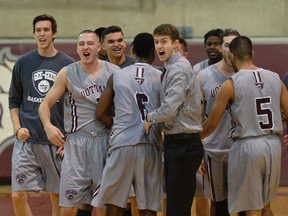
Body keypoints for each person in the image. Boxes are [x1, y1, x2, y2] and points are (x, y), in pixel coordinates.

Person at [201, 35, 288, 216]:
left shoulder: (230, 84)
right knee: (266, 206)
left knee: (251, 208)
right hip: (273, 145)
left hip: (247, 146)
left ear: (231, 56)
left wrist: (193, 139)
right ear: (252, 53)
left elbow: (211, 125)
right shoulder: (275, 78)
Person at [38, 30, 120, 216]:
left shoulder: (114, 72)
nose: (85, 47)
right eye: (81, 44)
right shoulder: (67, 73)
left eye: (90, 43)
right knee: (67, 206)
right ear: (77, 48)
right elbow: (45, 105)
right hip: (76, 144)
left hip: (105, 142)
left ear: (99, 47)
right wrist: (48, 126)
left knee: (101, 206)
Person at [8, 14, 74, 216]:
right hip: (27, 141)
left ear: (54, 33)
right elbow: (14, 101)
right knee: (17, 195)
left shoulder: (68, 64)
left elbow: (75, 107)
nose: (42, 34)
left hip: (55, 142)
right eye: (38, 30)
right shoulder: (23, 63)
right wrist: (17, 128)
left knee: (56, 197)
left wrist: (69, 138)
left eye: (46, 30)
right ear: (34, 34)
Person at [91, 32, 163, 216]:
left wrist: (117, 127)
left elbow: (100, 113)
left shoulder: (117, 75)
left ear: (132, 50)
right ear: (153, 53)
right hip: (150, 144)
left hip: (122, 143)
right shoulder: (161, 75)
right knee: (148, 206)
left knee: (114, 203)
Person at [144, 23, 204, 216]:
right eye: (156, 42)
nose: (159, 46)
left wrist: (149, 119)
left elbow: (169, 108)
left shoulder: (178, 69)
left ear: (176, 44)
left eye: (164, 42)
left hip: (183, 144)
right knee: (178, 207)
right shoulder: (172, 67)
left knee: (177, 209)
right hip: (178, 143)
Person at [198, 28, 240, 216]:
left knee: (243, 204)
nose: (231, 50)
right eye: (227, 45)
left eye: (235, 46)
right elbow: (197, 118)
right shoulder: (203, 76)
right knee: (218, 205)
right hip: (214, 148)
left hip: (241, 147)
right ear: (221, 47)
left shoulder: (247, 75)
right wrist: (198, 149)